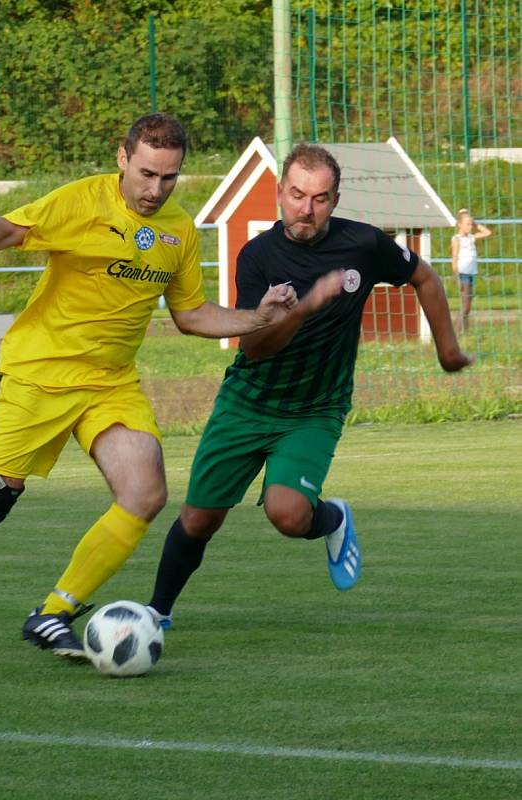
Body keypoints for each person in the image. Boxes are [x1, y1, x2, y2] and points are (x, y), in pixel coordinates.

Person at [0, 113, 297, 659]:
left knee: (145, 494)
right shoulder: (81, 202)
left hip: (110, 383)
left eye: (168, 178)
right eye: (146, 174)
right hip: (42, 373)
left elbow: (191, 314)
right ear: (123, 158)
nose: (154, 189)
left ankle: (53, 613)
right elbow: (6, 228)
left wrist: (258, 318)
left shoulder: (179, 230)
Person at [146, 142, 473, 629]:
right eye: (297, 194)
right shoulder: (256, 256)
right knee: (199, 520)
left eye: (320, 198)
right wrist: (302, 308)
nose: (307, 208)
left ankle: (332, 519)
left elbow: (424, 276)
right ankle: (157, 613)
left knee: (288, 515)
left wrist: (447, 350)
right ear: (280, 193)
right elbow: (254, 349)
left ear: (335, 201)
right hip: (248, 401)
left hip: (315, 410)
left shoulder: (363, 244)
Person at [451, 208, 492, 333]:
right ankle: (456, 332)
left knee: (468, 305)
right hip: (463, 274)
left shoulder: (471, 237)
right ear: (460, 225)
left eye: (470, 224)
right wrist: (456, 277)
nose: (470, 227)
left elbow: (487, 232)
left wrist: (475, 223)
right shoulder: (457, 239)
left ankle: (465, 332)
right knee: (465, 306)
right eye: (467, 224)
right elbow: (454, 259)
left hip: (470, 274)